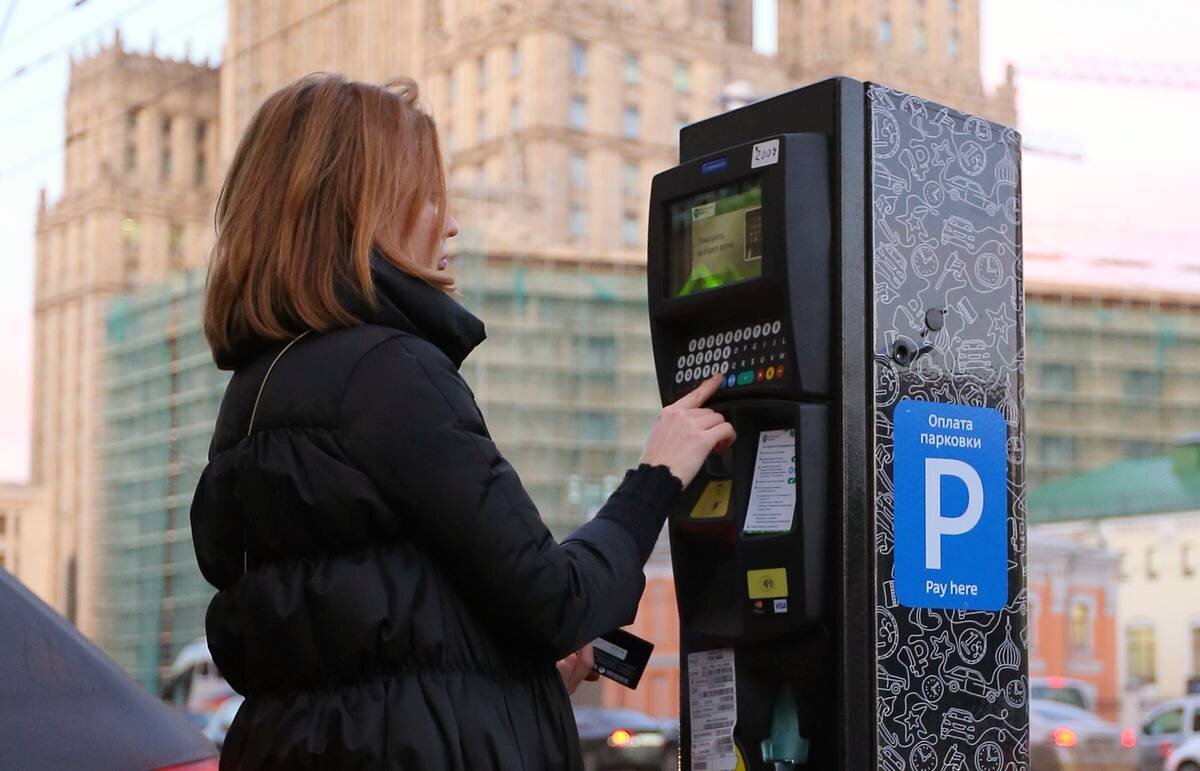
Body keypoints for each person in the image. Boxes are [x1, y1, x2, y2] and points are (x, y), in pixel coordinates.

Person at [190, 72, 735, 770]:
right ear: (363, 208)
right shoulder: (390, 374)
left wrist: (520, 675)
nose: (450, 222)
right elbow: (557, 600)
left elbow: (365, 643)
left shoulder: (255, 394)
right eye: (428, 195)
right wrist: (657, 475)